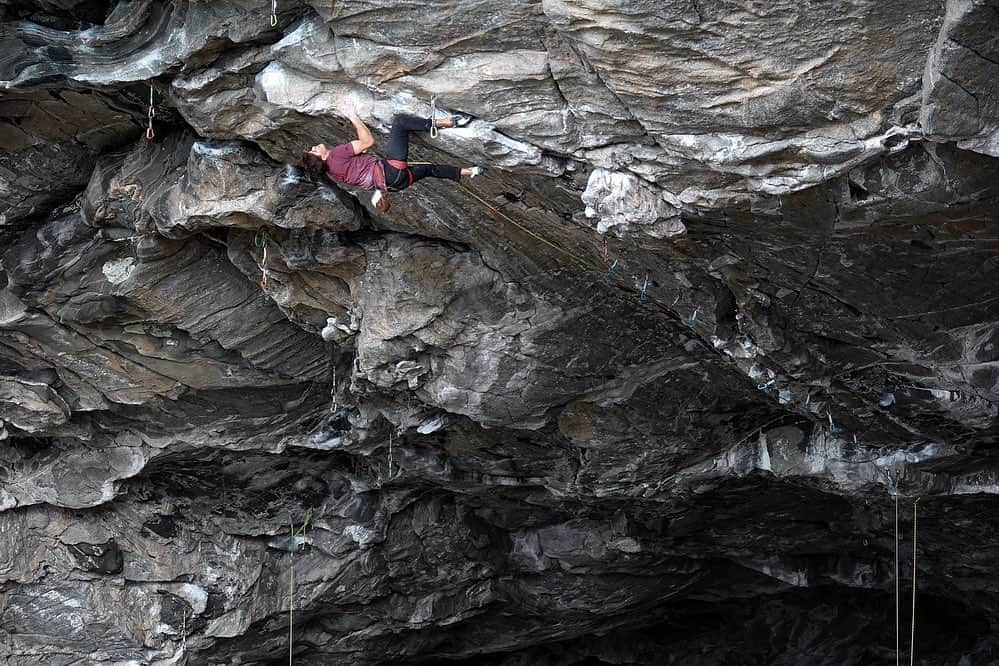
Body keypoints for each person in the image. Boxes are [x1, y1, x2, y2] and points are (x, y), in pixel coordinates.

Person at [302, 103, 485, 212]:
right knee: (400, 122)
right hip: (392, 170)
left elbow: (360, 173)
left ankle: (471, 171)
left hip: (396, 184)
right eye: (313, 150)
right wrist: (352, 116)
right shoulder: (336, 155)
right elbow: (368, 141)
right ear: (321, 157)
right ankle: (449, 122)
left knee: (430, 169)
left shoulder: (335, 172)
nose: (314, 147)